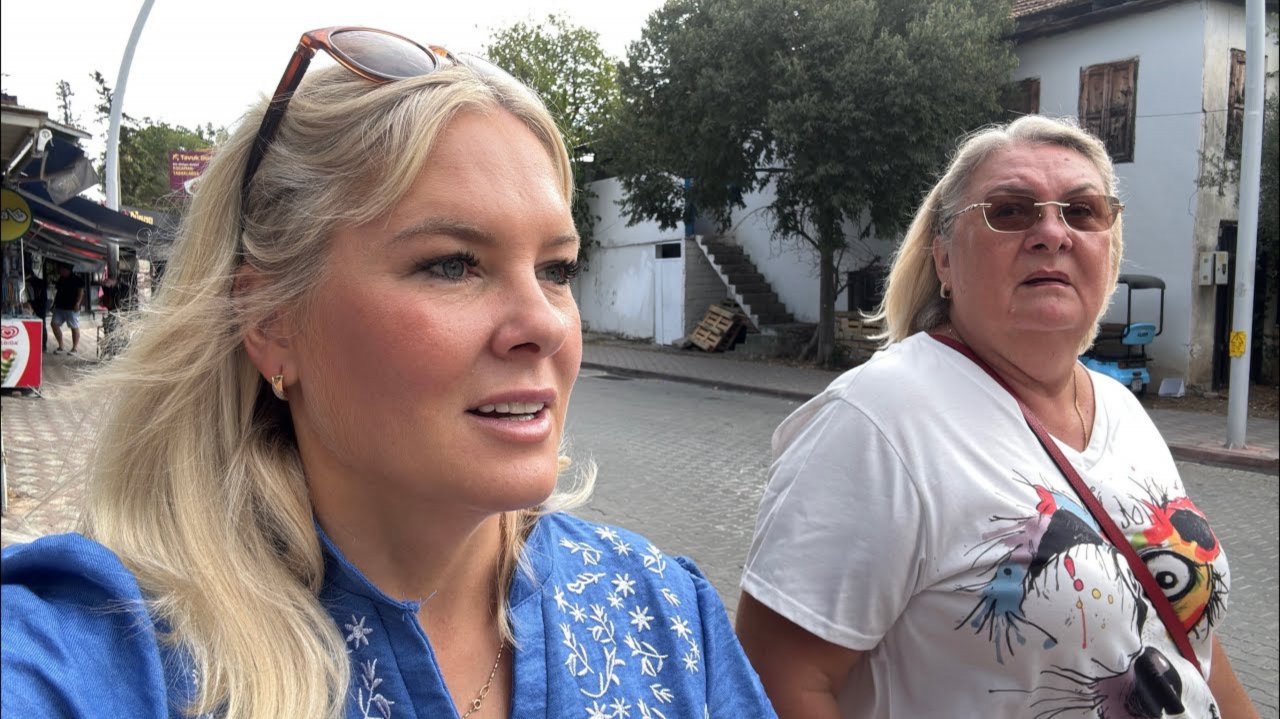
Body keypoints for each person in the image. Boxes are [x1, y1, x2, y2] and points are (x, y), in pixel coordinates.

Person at [1, 27, 776, 719]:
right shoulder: (110, 648)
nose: (544, 324)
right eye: (453, 264)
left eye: (556, 268)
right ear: (270, 322)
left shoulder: (668, 615)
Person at [735, 115, 1259, 719]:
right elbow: (778, 679)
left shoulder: (1120, 406)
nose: (1052, 233)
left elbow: (1189, 642)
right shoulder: (878, 420)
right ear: (944, 259)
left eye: (1082, 211)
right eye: (1010, 211)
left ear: (1110, 250)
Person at [49, 264, 82, 354]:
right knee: (54, 324)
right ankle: (61, 346)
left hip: (72, 307)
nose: (60, 271)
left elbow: (81, 292)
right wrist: (54, 304)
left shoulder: (77, 279)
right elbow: (58, 293)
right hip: (59, 306)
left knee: (74, 326)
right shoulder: (61, 279)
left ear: (67, 270)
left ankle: (74, 348)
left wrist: (78, 303)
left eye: (61, 269)